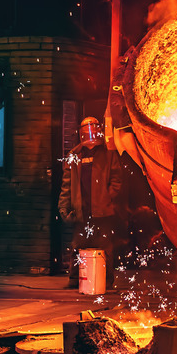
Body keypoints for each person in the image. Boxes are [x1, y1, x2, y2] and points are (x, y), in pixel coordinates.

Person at [59, 116, 123, 289]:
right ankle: (75, 280)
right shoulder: (74, 155)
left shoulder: (109, 153)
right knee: (77, 246)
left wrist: (107, 198)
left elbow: (116, 180)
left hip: (102, 211)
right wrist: (64, 207)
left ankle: (106, 282)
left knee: (105, 248)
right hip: (82, 210)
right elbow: (67, 184)